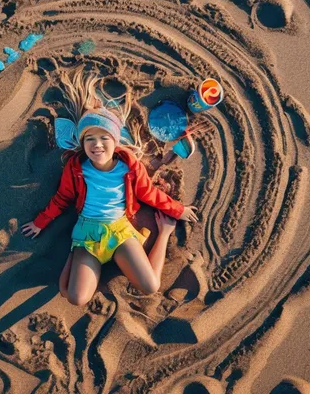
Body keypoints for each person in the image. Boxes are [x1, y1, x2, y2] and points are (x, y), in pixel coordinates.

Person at [22, 73, 198, 306]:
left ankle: (163, 235)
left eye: (104, 137)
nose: (96, 144)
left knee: (150, 286)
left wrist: (177, 210)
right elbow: (62, 198)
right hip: (87, 236)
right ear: (82, 145)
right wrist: (40, 222)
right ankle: (75, 254)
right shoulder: (76, 168)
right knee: (75, 297)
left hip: (120, 232)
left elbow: (148, 193)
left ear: (115, 141)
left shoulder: (129, 166)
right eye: (89, 139)